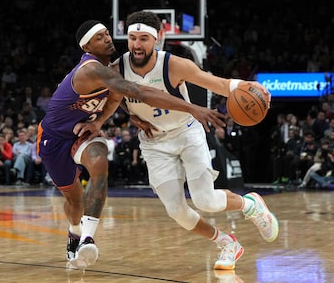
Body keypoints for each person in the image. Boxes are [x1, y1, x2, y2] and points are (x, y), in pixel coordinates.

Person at [79, 11, 279, 270]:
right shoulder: (118, 68)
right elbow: (117, 98)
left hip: (186, 133)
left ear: (157, 39)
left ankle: (250, 204)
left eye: (143, 39)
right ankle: (228, 243)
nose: (137, 45)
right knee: (177, 211)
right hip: (154, 143)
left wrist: (248, 86)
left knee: (205, 200)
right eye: (132, 38)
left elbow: (217, 83)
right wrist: (101, 122)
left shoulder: (174, 65)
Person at [37, 20, 226, 270]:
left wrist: (114, 118)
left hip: (84, 132)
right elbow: (140, 92)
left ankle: (87, 239)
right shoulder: (91, 70)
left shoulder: (110, 69)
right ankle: (75, 232)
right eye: (101, 37)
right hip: (54, 139)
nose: (108, 39)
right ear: (87, 46)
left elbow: (118, 95)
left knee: (100, 159)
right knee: (74, 202)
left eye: (108, 34)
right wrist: (193, 108)